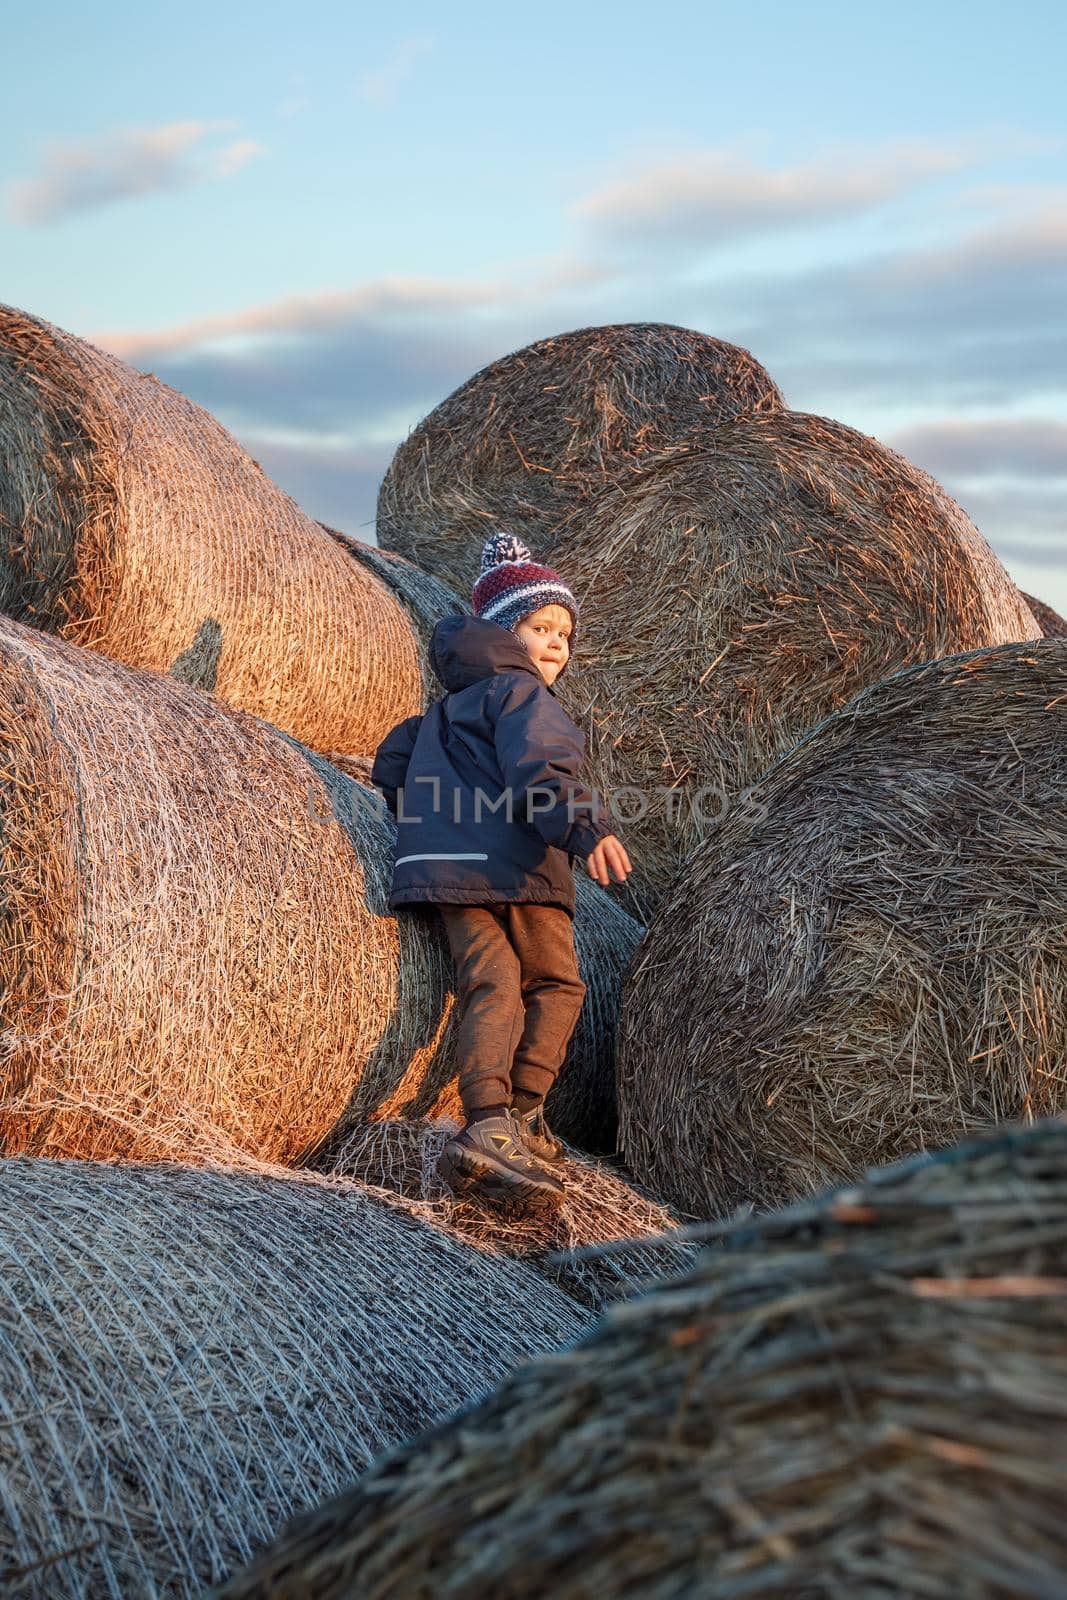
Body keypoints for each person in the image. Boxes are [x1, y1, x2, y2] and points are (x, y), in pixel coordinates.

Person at [371, 531, 632, 1218]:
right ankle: (520, 1114)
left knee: (489, 983)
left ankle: (482, 1121)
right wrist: (585, 827)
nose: (555, 645)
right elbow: (540, 768)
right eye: (539, 627)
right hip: (518, 870)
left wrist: (432, 819)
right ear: (503, 633)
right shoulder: (524, 699)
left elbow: (391, 766)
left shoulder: (442, 709)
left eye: (564, 634)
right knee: (556, 983)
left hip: (446, 874)